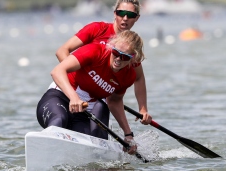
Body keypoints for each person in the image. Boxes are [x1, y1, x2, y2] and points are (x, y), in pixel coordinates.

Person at [51, 0, 152, 138]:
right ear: (114, 13)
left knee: (95, 135)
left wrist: (143, 108)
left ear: (137, 18)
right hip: (74, 87)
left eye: (130, 15)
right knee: (59, 121)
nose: (125, 18)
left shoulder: (131, 49)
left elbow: (138, 77)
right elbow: (63, 50)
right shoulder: (98, 29)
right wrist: (84, 78)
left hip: (99, 99)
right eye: (121, 13)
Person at [37, 30, 147, 154]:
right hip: (59, 97)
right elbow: (57, 71)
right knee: (59, 120)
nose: (118, 59)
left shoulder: (128, 76)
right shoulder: (95, 51)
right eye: (116, 53)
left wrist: (128, 134)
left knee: (89, 150)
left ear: (134, 58)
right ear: (111, 47)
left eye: (125, 57)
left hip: (83, 112)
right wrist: (74, 97)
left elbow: (115, 101)